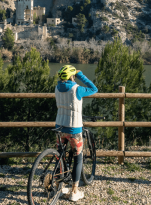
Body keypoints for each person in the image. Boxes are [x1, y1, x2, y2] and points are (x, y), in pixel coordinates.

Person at [54, 65, 98, 202]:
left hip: (59, 127)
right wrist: (81, 75)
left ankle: (58, 187)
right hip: (74, 129)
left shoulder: (56, 88)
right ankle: (74, 191)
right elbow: (94, 89)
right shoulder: (77, 89)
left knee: (59, 157)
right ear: (72, 76)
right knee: (78, 157)